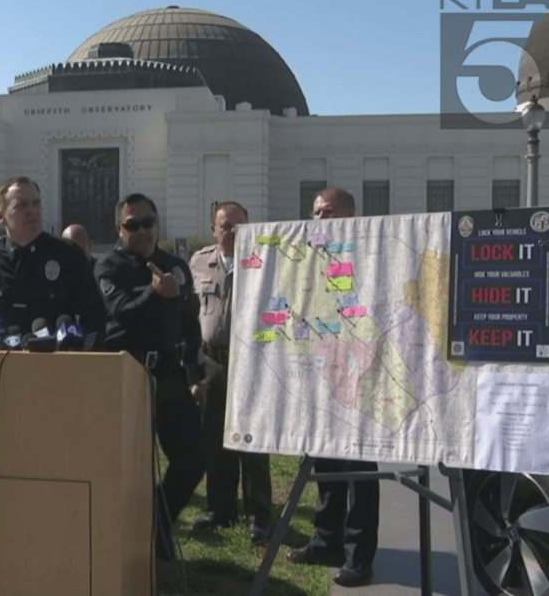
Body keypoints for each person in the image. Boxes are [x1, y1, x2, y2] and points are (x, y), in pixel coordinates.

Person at [95, 193, 205, 560]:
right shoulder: (108, 266)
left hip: (172, 379)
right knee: (133, 471)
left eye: (148, 223)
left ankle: (157, 525)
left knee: (192, 460)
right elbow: (120, 310)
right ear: (119, 228)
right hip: (131, 377)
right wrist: (155, 293)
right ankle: (129, 546)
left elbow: (190, 322)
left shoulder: (176, 265)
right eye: (132, 225)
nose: (142, 231)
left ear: (158, 225)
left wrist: (197, 373)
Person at [286, 186, 379, 588]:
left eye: (328, 213)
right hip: (321, 371)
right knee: (324, 462)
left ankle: (359, 556)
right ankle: (327, 541)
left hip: (360, 374)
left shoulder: (370, 256)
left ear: (350, 216)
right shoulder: (312, 260)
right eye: (315, 214)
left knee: (358, 470)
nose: (320, 220)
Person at [189, 201, 273, 543]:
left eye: (240, 225)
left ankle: (259, 515)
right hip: (212, 363)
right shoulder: (198, 262)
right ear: (214, 229)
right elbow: (191, 314)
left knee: (251, 444)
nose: (234, 231)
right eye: (226, 226)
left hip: (251, 362)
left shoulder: (264, 261)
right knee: (215, 441)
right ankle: (222, 509)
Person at [0, 176, 106, 342]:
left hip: (54, 363)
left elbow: (95, 317)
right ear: (1, 216)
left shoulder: (68, 255)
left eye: (36, 203)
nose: (32, 211)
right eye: (22, 205)